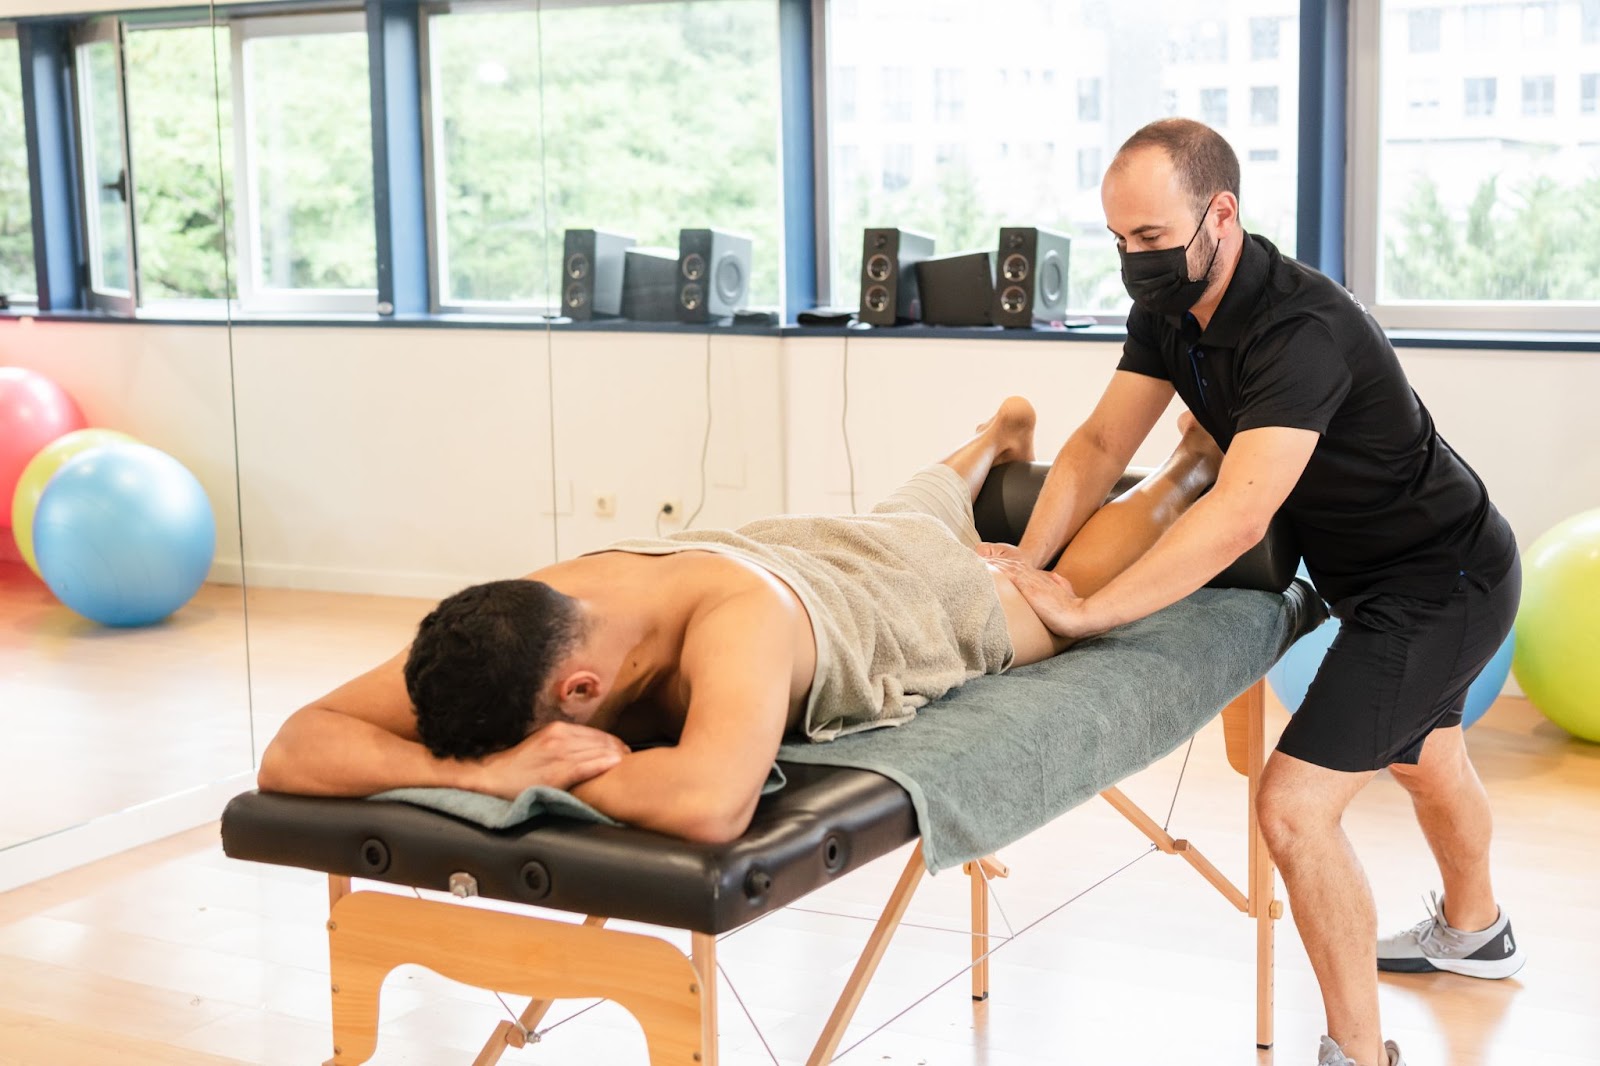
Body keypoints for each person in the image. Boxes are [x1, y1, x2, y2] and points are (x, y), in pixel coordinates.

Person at [986, 119, 1521, 1066]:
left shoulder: (1300, 327)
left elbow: (1237, 514)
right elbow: (1101, 445)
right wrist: (1032, 569)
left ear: (1219, 215)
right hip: (1385, 574)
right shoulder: (1173, 303)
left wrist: (1091, 609)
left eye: (1149, 239)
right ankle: (1477, 933)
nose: (1132, 262)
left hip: (1445, 578)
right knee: (1425, 754)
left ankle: (1357, 1053)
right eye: (1117, 241)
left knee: (1292, 809)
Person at [258, 397, 1223, 845]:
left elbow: (711, 800)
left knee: (1042, 600)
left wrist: (546, 778)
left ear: (579, 694)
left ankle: (1186, 468)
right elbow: (295, 746)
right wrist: (471, 767)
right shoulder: (518, 621)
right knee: (892, 519)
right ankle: (989, 442)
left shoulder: (737, 631)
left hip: (869, 601)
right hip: (790, 543)